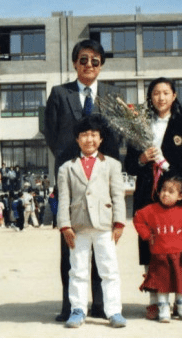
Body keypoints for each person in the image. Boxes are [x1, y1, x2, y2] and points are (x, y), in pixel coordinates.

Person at [44, 39, 121, 322]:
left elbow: (116, 137)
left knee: (102, 244)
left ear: (101, 65)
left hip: (101, 178)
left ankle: (101, 305)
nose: (89, 65)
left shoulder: (112, 95)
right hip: (72, 177)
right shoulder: (59, 93)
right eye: (84, 60)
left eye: (95, 61)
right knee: (72, 244)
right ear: (75, 63)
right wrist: (72, 165)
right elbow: (51, 133)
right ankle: (71, 306)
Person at [124, 77, 182, 319]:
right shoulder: (139, 125)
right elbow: (129, 164)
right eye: (156, 93)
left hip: (175, 195)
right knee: (151, 246)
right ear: (150, 97)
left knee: (178, 246)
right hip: (147, 194)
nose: (161, 97)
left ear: (174, 96)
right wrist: (141, 159)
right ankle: (155, 300)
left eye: (166, 93)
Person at [56, 115, 127, 328]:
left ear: (101, 139)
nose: (89, 139)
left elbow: (118, 195)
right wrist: (65, 225)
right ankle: (78, 310)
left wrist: (119, 223)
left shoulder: (112, 165)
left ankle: (114, 310)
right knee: (77, 270)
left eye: (94, 135)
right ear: (77, 139)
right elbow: (63, 199)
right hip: (77, 227)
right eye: (84, 135)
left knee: (109, 269)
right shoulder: (66, 168)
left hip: (104, 226)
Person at [133, 176, 182, 323]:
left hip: (179, 256)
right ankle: (163, 309)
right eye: (163, 190)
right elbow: (138, 218)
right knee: (162, 284)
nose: (165, 194)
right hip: (159, 256)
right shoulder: (151, 210)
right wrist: (147, 235)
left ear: (181, 196)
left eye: (171, 192)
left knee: (181, 283)